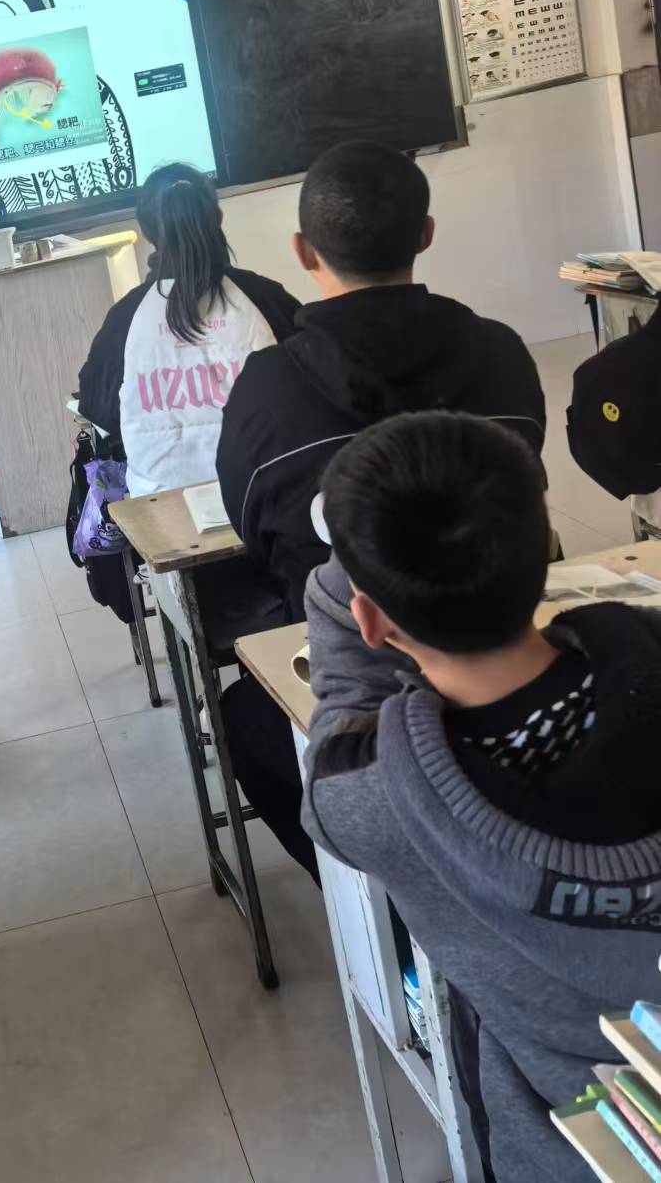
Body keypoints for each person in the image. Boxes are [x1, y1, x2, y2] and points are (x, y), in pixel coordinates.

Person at [303, 411, 661, 1183]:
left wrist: (353, 566)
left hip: (570, 1147)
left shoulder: (368, 797)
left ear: (371, 620)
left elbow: (339, 716)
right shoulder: (644, 646)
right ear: (545, 546)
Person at [215, 140, 546, 880]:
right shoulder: (500, 353)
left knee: (242, 718)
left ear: (303, 251)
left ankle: (365, 901)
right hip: (514, 648)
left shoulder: (265, 388)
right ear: (424, 234)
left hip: (350, 669)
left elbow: (254, 535)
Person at [78, 163, 301, 496]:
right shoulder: (267, 298)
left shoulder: (125, 317)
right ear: (217, 217)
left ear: (147, 232)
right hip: (268, 496)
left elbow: (99, 410)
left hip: (161, 504)